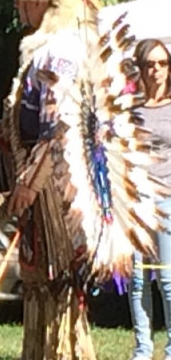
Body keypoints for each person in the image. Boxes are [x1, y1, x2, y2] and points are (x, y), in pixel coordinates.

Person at [0, 0, 164, 359]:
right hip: (47, 188)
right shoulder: (45, 50)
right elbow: (38, 126)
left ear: (44, 1)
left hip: (57, 193)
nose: (18, 9)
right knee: (42, 280)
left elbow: (58, 129)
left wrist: (30, 184)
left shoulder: (58, 51)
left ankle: (64, 352)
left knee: (55, 280)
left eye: (23, 1)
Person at [128, 39, 171, 360]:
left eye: (163, 63)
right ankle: (142, 350)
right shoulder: (130, 109)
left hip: (167, 199)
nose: (157, 70)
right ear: (140, 69)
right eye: (150, 64)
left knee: (167, 278)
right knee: (138, 279)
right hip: (135, 201)